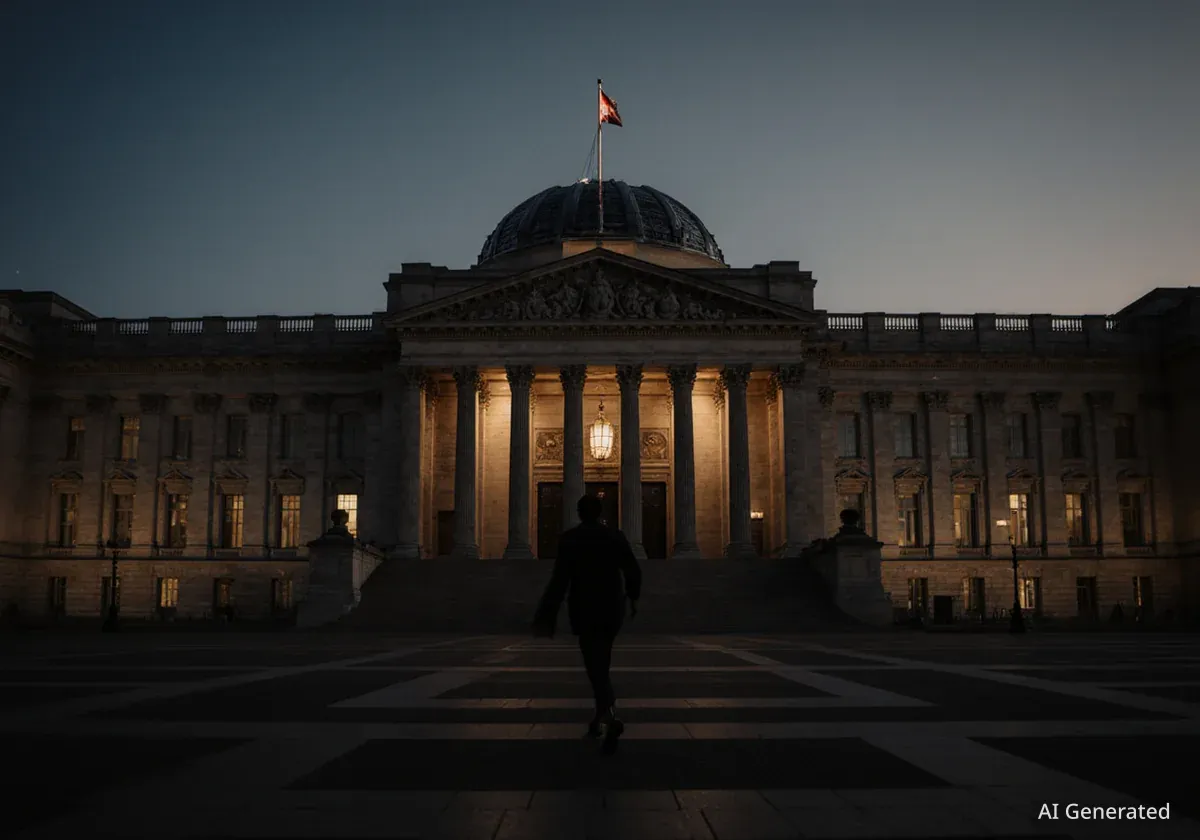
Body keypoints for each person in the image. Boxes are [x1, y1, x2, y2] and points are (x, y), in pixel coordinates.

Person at [532, 493, 642, 754]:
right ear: (600, 512)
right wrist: (633, 597)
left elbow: (559, 580)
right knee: (601, 661)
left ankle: (609, 714)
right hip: (611, 607)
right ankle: (602, 715)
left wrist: (547, 613)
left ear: (580, 513)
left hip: (584, 608)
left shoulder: (571, 539)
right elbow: (632, 569)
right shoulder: (615, 537)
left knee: (595, 664)